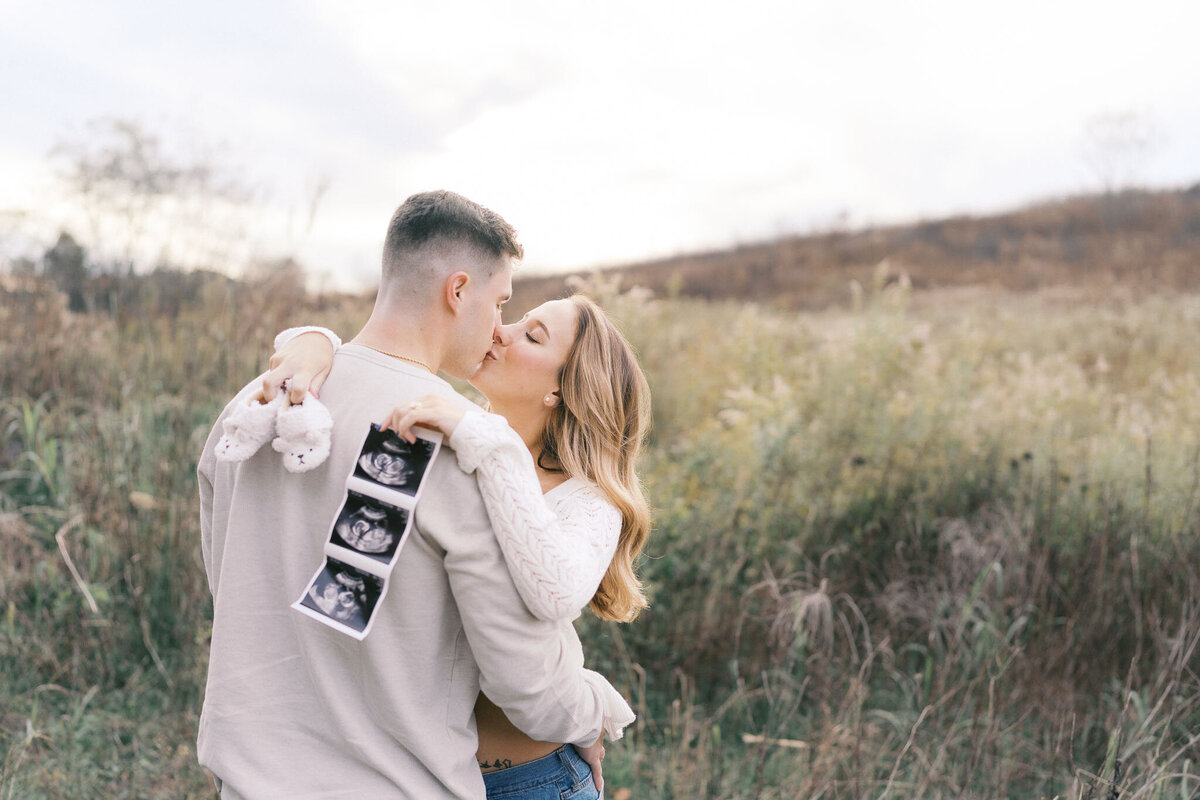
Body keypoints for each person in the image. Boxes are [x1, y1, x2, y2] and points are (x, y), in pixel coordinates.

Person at [197, 191, 609, 799]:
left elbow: (228, 577)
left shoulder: (254, 404)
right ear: (458, 290)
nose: (499, 327)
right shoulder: (451, 443)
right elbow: (524, 680)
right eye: (499, 302)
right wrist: (598, 709)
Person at [266, 292, 652, 798]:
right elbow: (381, 359)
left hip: (530, 781)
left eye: (531, 335)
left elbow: (555, 590)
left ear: (561, 391)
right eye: (515, 318)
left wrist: (489, 441)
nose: (502, 331)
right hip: (414, 775)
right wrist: (313, 343)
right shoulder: (451, 427)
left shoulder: (586, 502)